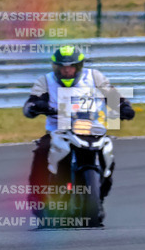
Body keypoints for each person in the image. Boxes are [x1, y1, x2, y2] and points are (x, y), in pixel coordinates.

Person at [22, 46, 135, 220]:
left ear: (79, 66)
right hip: (58, 130)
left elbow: (112, 95)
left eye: (71, 67)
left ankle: (100, 196)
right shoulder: (45, 81)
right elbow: (31, 103)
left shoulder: (94, 77)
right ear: (56, 67)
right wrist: (35, 107)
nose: (67, 71)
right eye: (62, 67)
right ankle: (37, 198)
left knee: (108, 154)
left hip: (92, 128)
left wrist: (124, 107)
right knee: (42, 150)